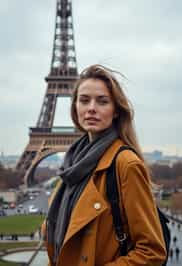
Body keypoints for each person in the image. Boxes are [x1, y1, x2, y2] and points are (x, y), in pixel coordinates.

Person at [42, 65, 167, 266]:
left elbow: (152, 251)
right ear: (75, 108)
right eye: (84, 100)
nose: (91, 108)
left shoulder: (126, 164)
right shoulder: (72, 166)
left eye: (102, 101)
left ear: (116, 110)